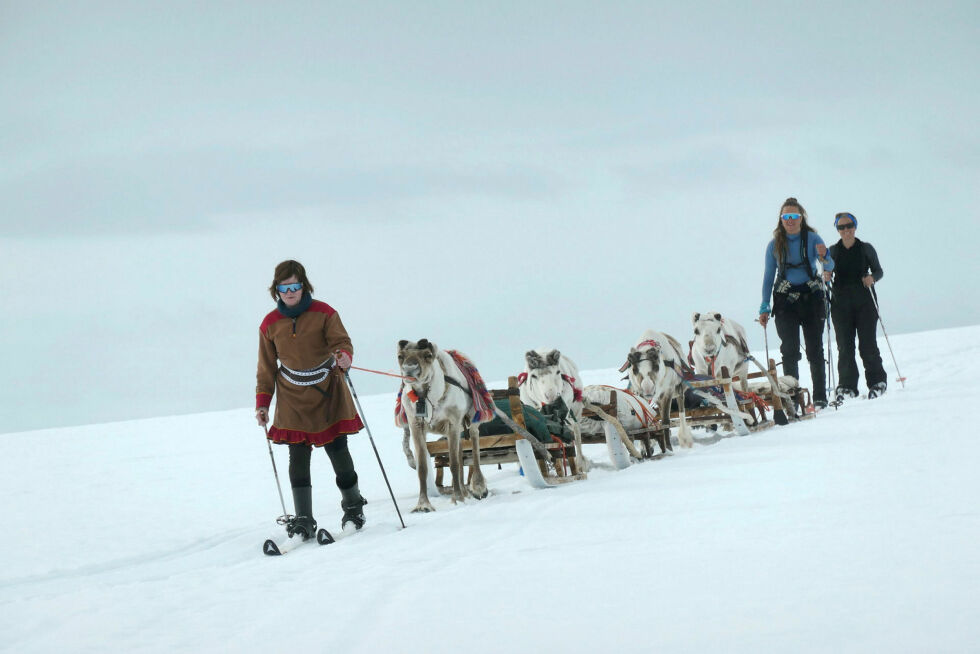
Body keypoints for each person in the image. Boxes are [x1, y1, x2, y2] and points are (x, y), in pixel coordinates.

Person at [255, 260, 367, 537]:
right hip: (291, 395)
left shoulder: (325, 313)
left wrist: (343, 356)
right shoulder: (270, 324)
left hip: (328, 389)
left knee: (338, 449)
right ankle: (303, 519)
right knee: (298, 455)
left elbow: (342, 342)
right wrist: (262, 404)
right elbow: (266, 368)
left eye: (295, 286)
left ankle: (353, 507)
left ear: (303, 286)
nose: (290, 292)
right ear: (276, 290)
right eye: (284, 287)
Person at [759, 197, 834, 409]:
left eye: (794, 216)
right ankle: (793, 397)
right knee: (789, 350)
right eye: (786, 216)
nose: (790, 220)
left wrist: (825, 255)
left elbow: (828, 266)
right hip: (785, 302)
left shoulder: (812, 238)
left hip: (812, 300)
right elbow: (768, 276)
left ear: (801, 218)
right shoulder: (774, 245)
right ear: (781, 220)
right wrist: (765, 306)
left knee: (814, 349)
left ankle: (819, 397)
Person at [828, 212, 887, 400]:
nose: (846, 230)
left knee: (867, 343)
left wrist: (872, 278)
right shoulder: (833, 251)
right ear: (837, 229)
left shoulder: (866, 248)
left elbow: (879, 271)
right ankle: (847, 386)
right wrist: (825, 276)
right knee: (845, 345)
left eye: (849, 226)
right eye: (841, 227)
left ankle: (877, 381)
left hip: (865, 300)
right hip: (840, 301)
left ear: (855, 226)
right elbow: (826, 271)